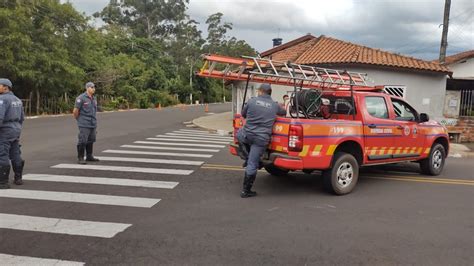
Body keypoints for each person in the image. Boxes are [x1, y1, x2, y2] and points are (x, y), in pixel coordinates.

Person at [237, 83, 286, 198]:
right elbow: (283, 112)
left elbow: (243, 114)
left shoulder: (252, 101)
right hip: (261, 139)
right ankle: (246, 190)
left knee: (239, 134)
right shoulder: (275, 105)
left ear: (260, 91)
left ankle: (248, 158)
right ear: (270, 93)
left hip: (247, 135)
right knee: (252, 163)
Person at [0, 78, 25, 189]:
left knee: (2, 154)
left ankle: (3, 182)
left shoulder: (2, 99)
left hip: (5, 129)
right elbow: (22, 118)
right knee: (15, 153)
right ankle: (18, 178)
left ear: (5, 87)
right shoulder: (17, 100)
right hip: (15, 129)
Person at [73, 82, 99, 164]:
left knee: (91, 139)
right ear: (87, 88)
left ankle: (89, 156)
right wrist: (79, 120)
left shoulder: (94, 98)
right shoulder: (81, 98)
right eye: (92, 87)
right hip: (84, 123)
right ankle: (80, 157)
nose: (93, 88)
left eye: (94, 87)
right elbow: (75, 111)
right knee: (83, 140)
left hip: (93, 123)